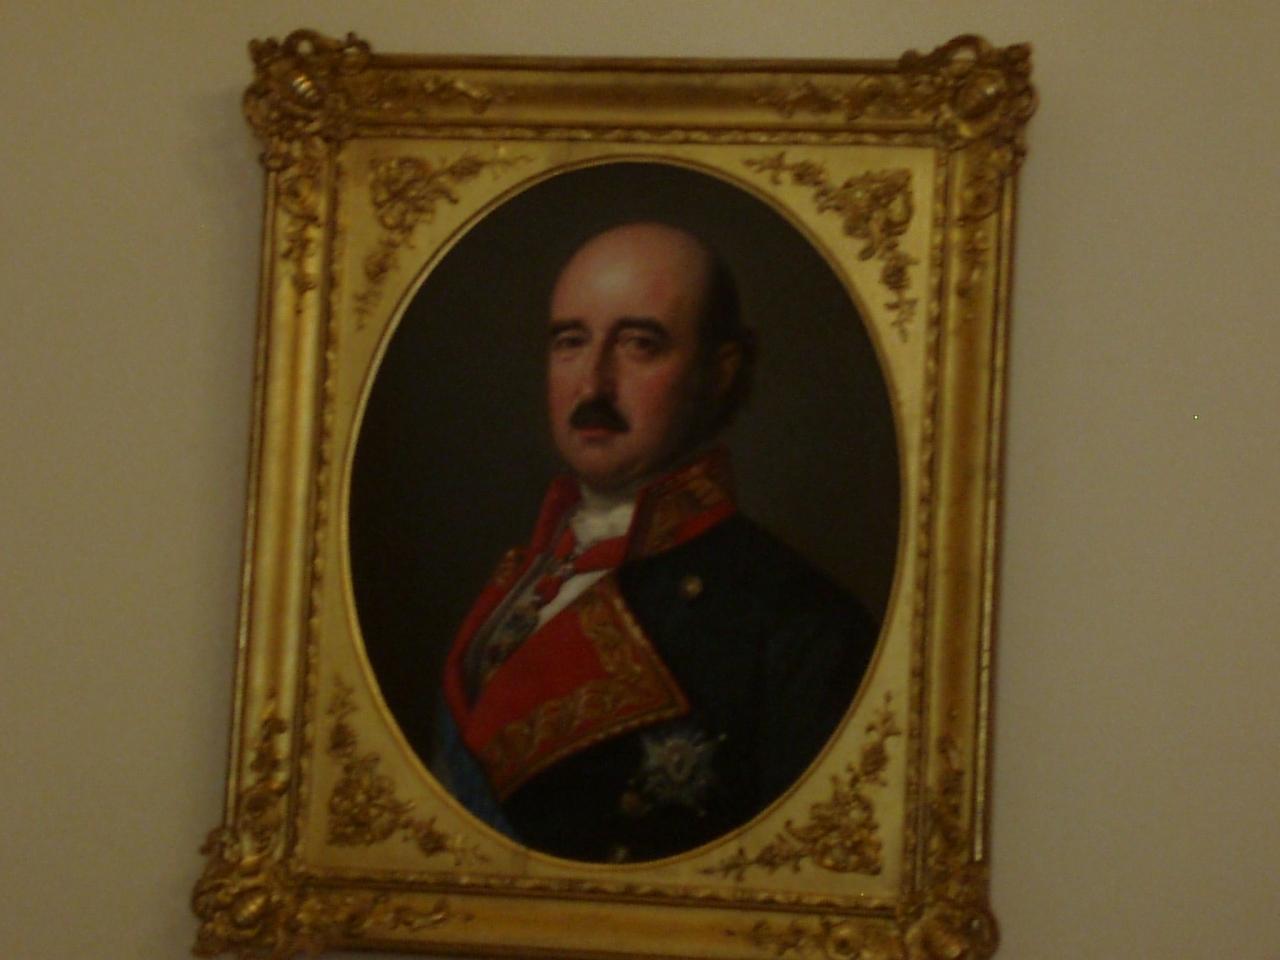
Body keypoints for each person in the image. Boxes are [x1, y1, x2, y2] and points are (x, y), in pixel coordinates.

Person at [429, 222, 878, 863]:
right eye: (571, 342)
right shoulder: (525, 577)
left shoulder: (800, 625)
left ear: (719, 371)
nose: (592, 385)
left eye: (639, 345)